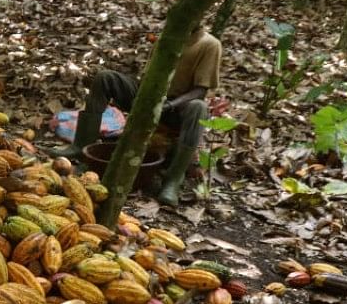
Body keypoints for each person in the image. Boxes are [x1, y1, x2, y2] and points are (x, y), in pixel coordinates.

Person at [53, 23, 222, 206]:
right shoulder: (170, 34)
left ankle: (173, 179)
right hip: (150, 96)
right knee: (105, 78)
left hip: (177, 108)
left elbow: (201, 91)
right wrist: (145, 97)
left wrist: (170, 104)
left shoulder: (209, 44)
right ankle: (82, 146)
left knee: (198, 107)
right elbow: (149, 75)